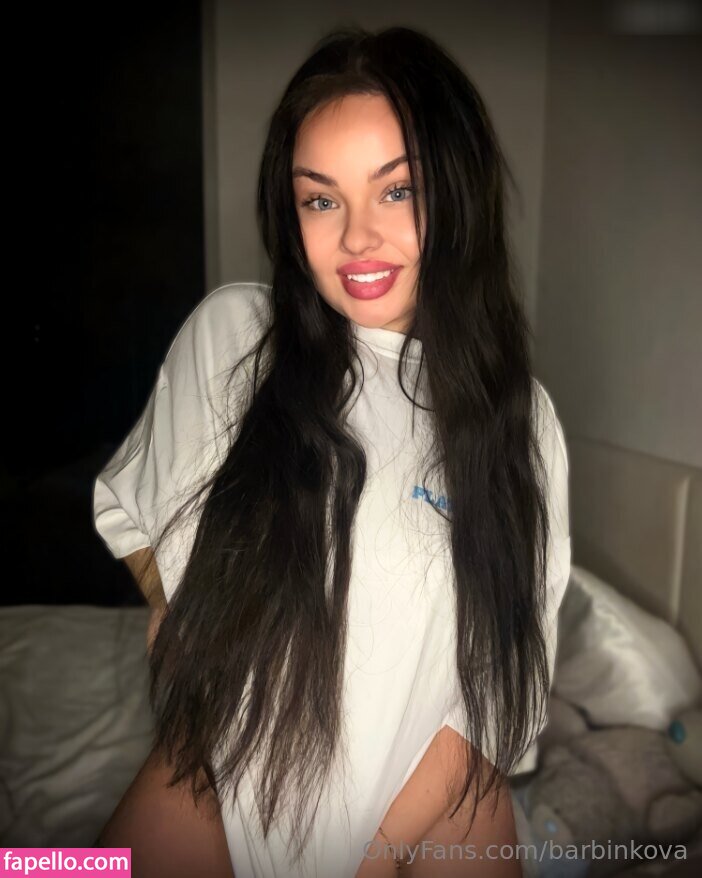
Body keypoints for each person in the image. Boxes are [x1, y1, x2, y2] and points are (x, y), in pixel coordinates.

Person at [92, 24, 571, 878]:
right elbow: (129, 506)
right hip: (213, 781)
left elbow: (505, 682)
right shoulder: (234, 334)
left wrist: (376, 855)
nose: (356, 239)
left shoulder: (520, 420)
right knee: (36, 868)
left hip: (434, 816)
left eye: (397, 191)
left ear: (457, 192)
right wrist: (173, 605)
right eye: (321, 200)